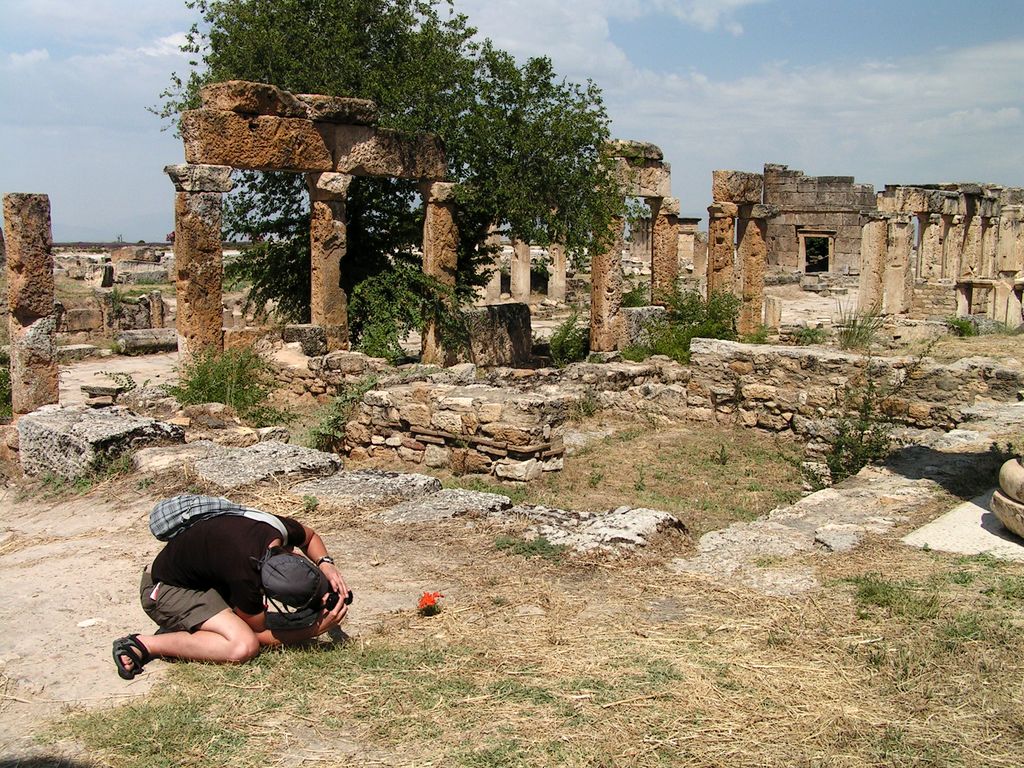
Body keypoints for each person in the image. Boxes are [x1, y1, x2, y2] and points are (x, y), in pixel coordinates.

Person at [112, 503, 349, 679]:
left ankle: (198, 625)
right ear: (262, 588)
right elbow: (259, 635)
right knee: (242, 645)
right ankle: (146, 644)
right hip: (165, 589)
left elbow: (310, 536)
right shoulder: (244, 576)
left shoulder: (274, 531)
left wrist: (325, 564)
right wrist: (311, 630)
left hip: (202, 575)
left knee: (242, 628)